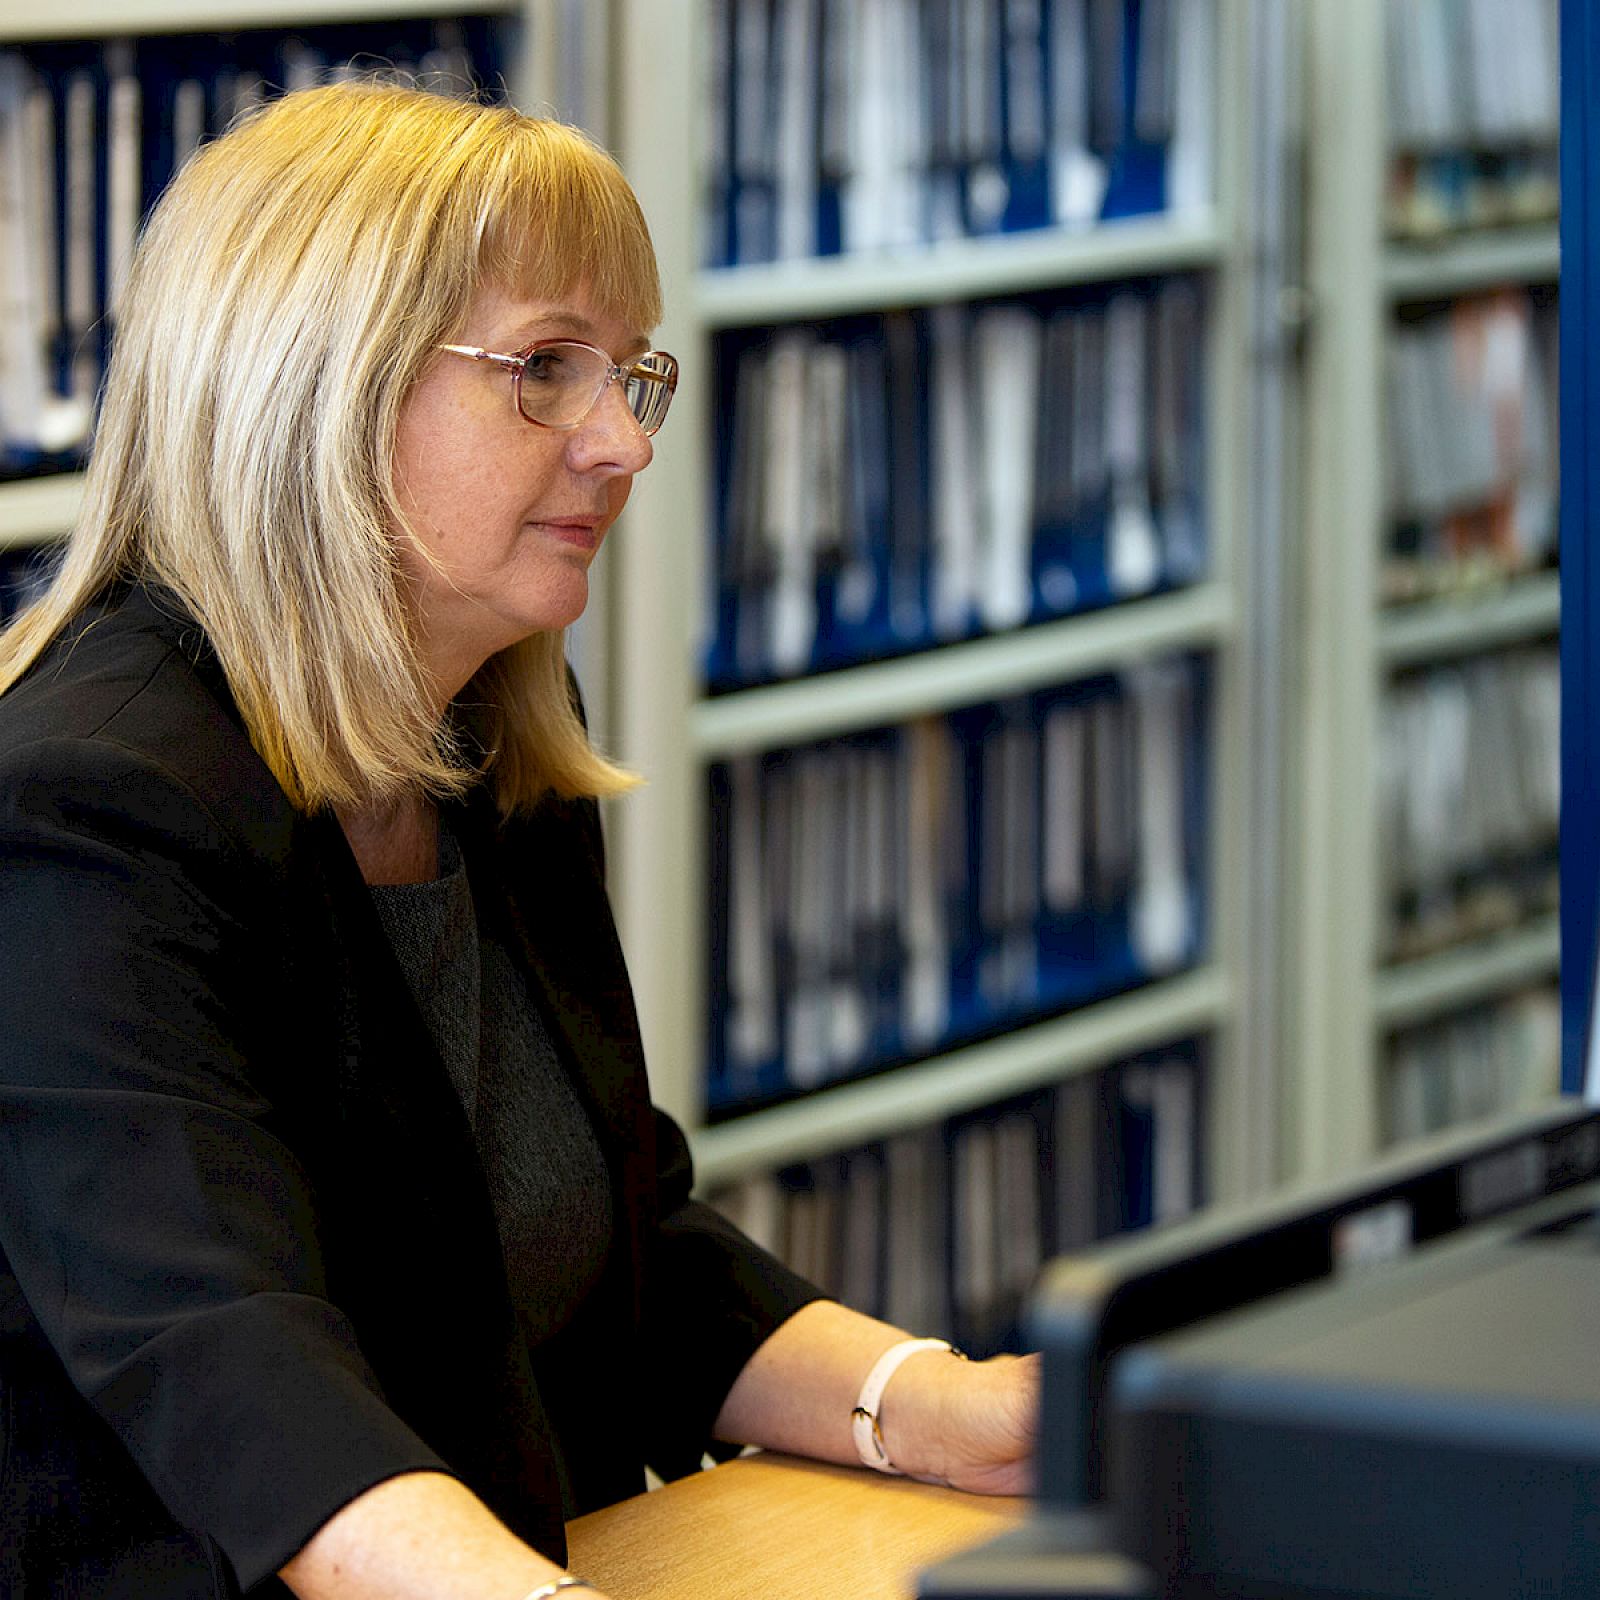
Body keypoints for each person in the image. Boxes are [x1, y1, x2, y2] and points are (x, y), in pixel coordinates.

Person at [0, 79, 1037, 1600]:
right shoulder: (85, 806)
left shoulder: (477, 732)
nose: (623, 442)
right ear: (321, 383)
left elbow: (628, 1244)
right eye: (547, 369)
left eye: (632, 374)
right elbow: (234, 1368)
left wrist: (945, 1411)